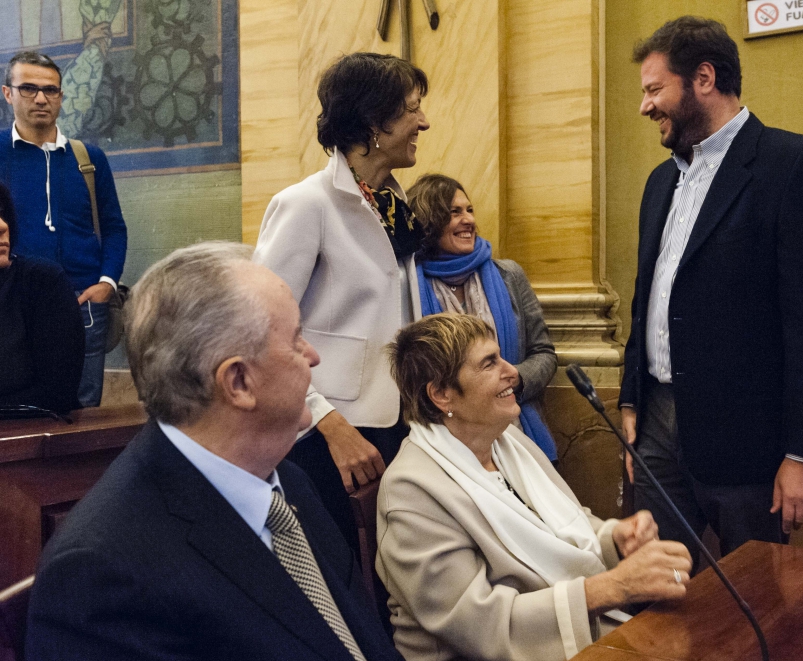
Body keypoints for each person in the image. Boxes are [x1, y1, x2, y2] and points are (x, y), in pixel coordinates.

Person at [26, 242, 404, 661]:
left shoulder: (288, 482)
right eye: (296, 338)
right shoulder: (101, 578)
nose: (312, 356)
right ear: (238, 382)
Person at [619, 17, 803, 569]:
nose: (645, 107)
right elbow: (647, 296)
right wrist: (632, 397)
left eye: (654, 90)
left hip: (749, 444)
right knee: (658, 596)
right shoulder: (660, 182)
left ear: (703, 78)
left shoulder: (793, 166)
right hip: (656, 432)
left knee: (755, 604)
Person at [378, 314, 692, 661]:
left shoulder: (507, 441)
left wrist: (615, 537)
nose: (511, 370)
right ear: (441, 394)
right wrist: (613, 587)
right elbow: (478, 624)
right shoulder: (410, 491)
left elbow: (561, 524)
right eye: (489, 363)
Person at [254, 52, 430, 555]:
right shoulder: (305, 204)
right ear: (374, 121)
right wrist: (331, 427)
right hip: (326, 434)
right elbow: (260, 332)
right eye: (412, 109)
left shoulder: (393, 204)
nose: (424, 121)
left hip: (396, 421)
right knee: (342, 573)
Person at [0, 51, 128, 408]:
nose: (41, 98)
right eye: (28, 88)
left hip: (83, 305)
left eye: (50, 90)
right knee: (16, 409)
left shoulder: (89, 159)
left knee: (81, 411)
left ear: (60, 96)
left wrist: (106, 284)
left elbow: (115, 227)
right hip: (9, 306)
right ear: (8, 93)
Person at [408, 173, 558, 461]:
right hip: (446, 444)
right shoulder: (410, 285)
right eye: (454, 213)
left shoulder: (508, 275)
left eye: (469, 210)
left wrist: (515, 380)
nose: (468, 220)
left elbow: (543, 352)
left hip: (519, 436)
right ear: (429, 222)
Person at [0, 181, 84, 414]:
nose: (2, 225)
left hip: (33, 439)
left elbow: (58, 392)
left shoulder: (43, 282)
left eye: (3, 214)